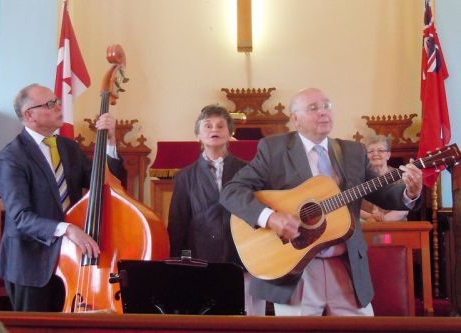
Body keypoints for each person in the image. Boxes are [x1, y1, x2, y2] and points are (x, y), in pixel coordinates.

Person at [220, 87, 423, 316]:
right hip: (295, 268)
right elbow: (231, 191)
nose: (323, 113)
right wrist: (270, 217)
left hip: (346, 266)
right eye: (313, 108)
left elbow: (382, 192)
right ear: (295, 119)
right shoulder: (274, 149)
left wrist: (410, 193)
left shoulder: (353, 151)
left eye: (327, 106)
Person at [0, 83, 126, 312]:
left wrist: (111, 141)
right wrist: (68, 229)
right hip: (31, 264)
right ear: (29, 115)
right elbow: (20, 217)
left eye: (56, 101)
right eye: (49, 104)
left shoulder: (68, 147)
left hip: (72, 262)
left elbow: (108, 183)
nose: (58, 107)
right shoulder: (12, 156)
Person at [168, 105, 265, 315]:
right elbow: (178, 224)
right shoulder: (185, 177)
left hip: (244, 259)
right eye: (208, 125)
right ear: (197, 135)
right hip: (201, 261)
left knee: (249, 321)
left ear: (230, 134)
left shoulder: (248, 171)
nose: (215, 129)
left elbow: (260, 213)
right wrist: (177, 266)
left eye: (221, 126)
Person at [360, 135, 409, 222]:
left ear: (388, 155)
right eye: (370, 151)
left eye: (380, 150)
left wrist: (382, 220)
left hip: (394, 226)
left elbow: (404, 208)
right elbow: (351, 206)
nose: (375, 154)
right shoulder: (358, 178)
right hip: (366, 224)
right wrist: (369, 217)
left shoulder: (400, 176)